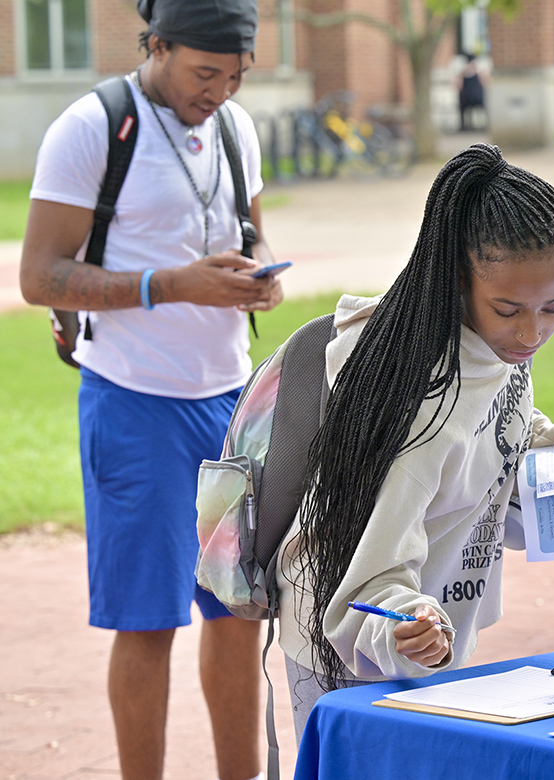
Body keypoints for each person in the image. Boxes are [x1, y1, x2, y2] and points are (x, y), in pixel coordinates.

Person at [18, 2, 280, 778]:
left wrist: (257, 274)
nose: (221, 91)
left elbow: (252, 231)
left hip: (232, 405)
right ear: (157, 46)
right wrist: (173, 285)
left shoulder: (236, 127)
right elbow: (40, 276)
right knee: (147, 622)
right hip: (133, 403)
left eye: (235, 76)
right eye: (205, 73)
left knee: (237, 614)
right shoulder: (92, 127)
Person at [275, 144, 554, 741]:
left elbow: (489, 418)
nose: (531, 332)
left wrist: (537, 438)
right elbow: (366, 580)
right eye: (508, 308)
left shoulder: (485, 343)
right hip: (349, 656)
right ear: (457, 280)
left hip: (422, 632)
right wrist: (406, 622)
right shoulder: (423, 407)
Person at [456, 53, 491, 132]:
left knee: (462, 107)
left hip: (466, 99)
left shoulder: (463, 73)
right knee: (482, 107)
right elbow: (486, 83)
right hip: (478, 98)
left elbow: (459, 86)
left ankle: (464, 126)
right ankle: (483, 125)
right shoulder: (479, 71)